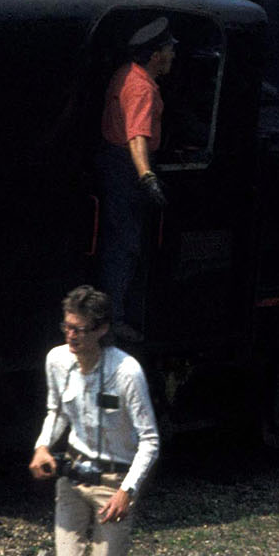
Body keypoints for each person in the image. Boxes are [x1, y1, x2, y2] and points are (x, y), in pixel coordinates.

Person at [29, 286, 172, 556]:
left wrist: (128, 490)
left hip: (114, 483)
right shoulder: (57, 360)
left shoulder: (126, 372)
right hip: (72, 476)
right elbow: (56, 410)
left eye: (79, 329)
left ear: (102, 329)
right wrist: (43, 446)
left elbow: (150, 441)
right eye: (67, 327)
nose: (70, 336)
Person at [96, 17, 176, 334]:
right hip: (124, 168)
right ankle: (113, 320)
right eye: (170, 49)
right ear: (155, 54)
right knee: (125, 244)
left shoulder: (126, 73)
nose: (173, 56)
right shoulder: (141, 88)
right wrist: (147, 176)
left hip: (112, 161)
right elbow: (137, 136)